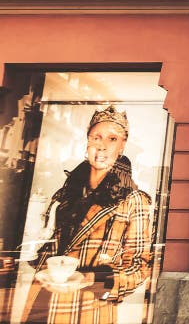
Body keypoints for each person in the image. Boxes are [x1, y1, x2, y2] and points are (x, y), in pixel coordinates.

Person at [23, 106, 152, 323]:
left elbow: (140, 266)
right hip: (44, 300)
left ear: (122, 147)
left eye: (112, 139)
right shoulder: (66, 193)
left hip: (88, 306)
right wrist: (41, 267)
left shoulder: (133, 200)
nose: (102, 146)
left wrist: (92, 279)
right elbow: (44, 244)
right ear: (88, 142)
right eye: (96, 138)